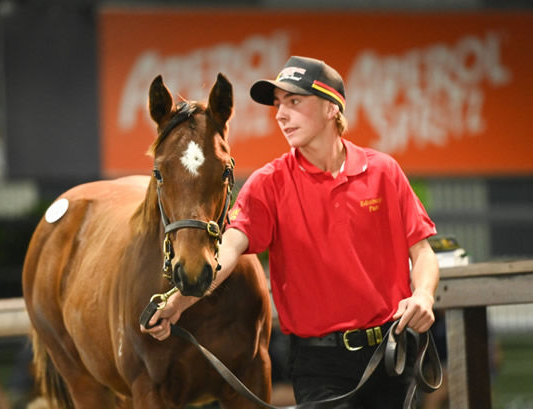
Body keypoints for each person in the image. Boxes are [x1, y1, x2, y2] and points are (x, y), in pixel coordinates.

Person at [141, 55, 440, 408]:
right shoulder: (268, 183)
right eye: (278, 104)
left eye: (294, 102)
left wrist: (423, 295)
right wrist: (179, 302)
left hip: (392, 354)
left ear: (331, 109)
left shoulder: (384, 171)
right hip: (320, 366)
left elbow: (422, 253)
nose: (281, 114)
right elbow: (229, 250)